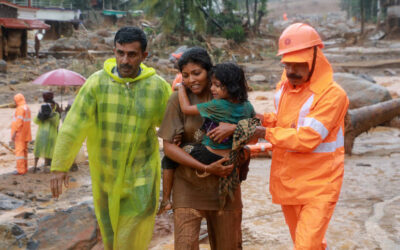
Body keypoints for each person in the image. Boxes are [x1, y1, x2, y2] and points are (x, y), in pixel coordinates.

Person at [49, 26, 172, 250]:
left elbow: (175, 127)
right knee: (109, 236)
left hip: (141, 177)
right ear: (113, 51)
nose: (125, 60)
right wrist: (60, 165)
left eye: (132, 54)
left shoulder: (157, 88)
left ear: (144, 56)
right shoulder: (96, 84)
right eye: (120, 53)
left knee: (129, 238)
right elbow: (74, 124)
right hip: (105, 176)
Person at [251, 23, 349, 249]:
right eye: (287, 65)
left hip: (320, 186)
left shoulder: (333, 95)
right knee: (307, 244)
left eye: (298, 65)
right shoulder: (284, 87)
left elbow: (307, 137)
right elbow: (286, 123)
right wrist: (261, 119)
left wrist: (264, 132)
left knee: (305, 246)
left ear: (315, 59)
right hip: (289, 181)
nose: (291, 71)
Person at [158, 47, 246, 249]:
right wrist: (205, 167)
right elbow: (169, 148)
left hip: (225, 187)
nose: (191, 80)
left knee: (229, 245)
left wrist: (233, 128)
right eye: (185, 75)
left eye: (197, 73)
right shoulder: (178, 100)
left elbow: (255, 132)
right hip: (188, 185)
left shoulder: (228, 97)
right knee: (185, 244)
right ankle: (166, 200)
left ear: (210, 71)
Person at [158, 62, 255, 215]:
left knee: (172, 156)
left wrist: (181, 88)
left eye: (217, 85)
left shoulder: (217, 105)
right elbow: (253, 125)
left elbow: (186, 109)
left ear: (230, 87)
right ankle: (243, 169)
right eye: (212, 84)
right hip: (232, 155)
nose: (212, 89)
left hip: (209, 155)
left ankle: (166, 200)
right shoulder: (247, 106)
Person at [33, 92, 60, 173]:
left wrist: (50, 115)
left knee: (49, 151)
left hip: (50, 136)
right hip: (43, 135)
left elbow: (56, 123)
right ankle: (35, 166)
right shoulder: (43, 113)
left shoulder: (55, 114)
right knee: (39, 150)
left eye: (52, 106)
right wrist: (41, 114)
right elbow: (36, 121)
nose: (50, 107)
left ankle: (45, 166)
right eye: (50, 106)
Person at [11, 93, 32, 175]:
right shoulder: (27, 107)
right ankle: (25, 168)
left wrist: (14, 133)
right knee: (24, 152)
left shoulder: (20, 109)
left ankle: (21, 170)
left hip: (20, 135)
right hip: (26, 133)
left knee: (19, 153)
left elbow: (19, 123)